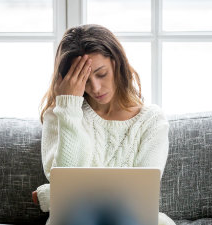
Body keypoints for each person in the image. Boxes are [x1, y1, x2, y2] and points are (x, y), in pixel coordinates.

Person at [32, 24, 176, 225]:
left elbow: (141, 196)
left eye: (101, 74)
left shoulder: (151, 120)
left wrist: (51, 195)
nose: (95, 88)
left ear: (117, 64)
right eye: (84, 80)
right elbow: (66, 186)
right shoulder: (61, 114)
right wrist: (69, 109)